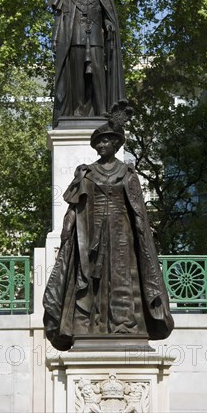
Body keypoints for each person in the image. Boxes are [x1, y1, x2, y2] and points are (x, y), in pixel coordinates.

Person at [43, 113, 174, 351]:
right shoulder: (87, 173)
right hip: (92, 231)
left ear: (116, 145)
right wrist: (67, 228)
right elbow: (75, 205)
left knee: (122, 275)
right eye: (99, 142)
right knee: (91, 275)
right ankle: (89, 323)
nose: (102, 145)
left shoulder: (127, 173)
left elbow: (138, 211)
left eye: (107, 141)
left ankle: (123, 324)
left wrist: (142, 238)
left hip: (122, 232)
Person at [48, 0, 126, 127]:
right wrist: (55, 38)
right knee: (76, 76)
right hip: (75, 36)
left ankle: (101, 110)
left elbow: (108, 14)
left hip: (96, 37)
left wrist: (108, 24)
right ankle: (77, 111)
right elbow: (59, 16)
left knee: (98, 73)